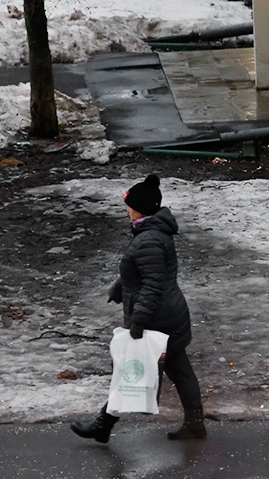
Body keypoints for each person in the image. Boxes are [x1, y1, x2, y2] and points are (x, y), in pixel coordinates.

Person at [70, 174, 206, 443]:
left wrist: (139, 319)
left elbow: (153, 284)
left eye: (129, 205)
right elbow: (145, 272)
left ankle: (103, 425)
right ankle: (194, 424)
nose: (127, 210)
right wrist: (120, 288)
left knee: (127, 368)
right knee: (179, 371)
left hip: (158, 317)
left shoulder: (149, 239)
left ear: (140, 208)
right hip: (168, 314)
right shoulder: (151, 233)